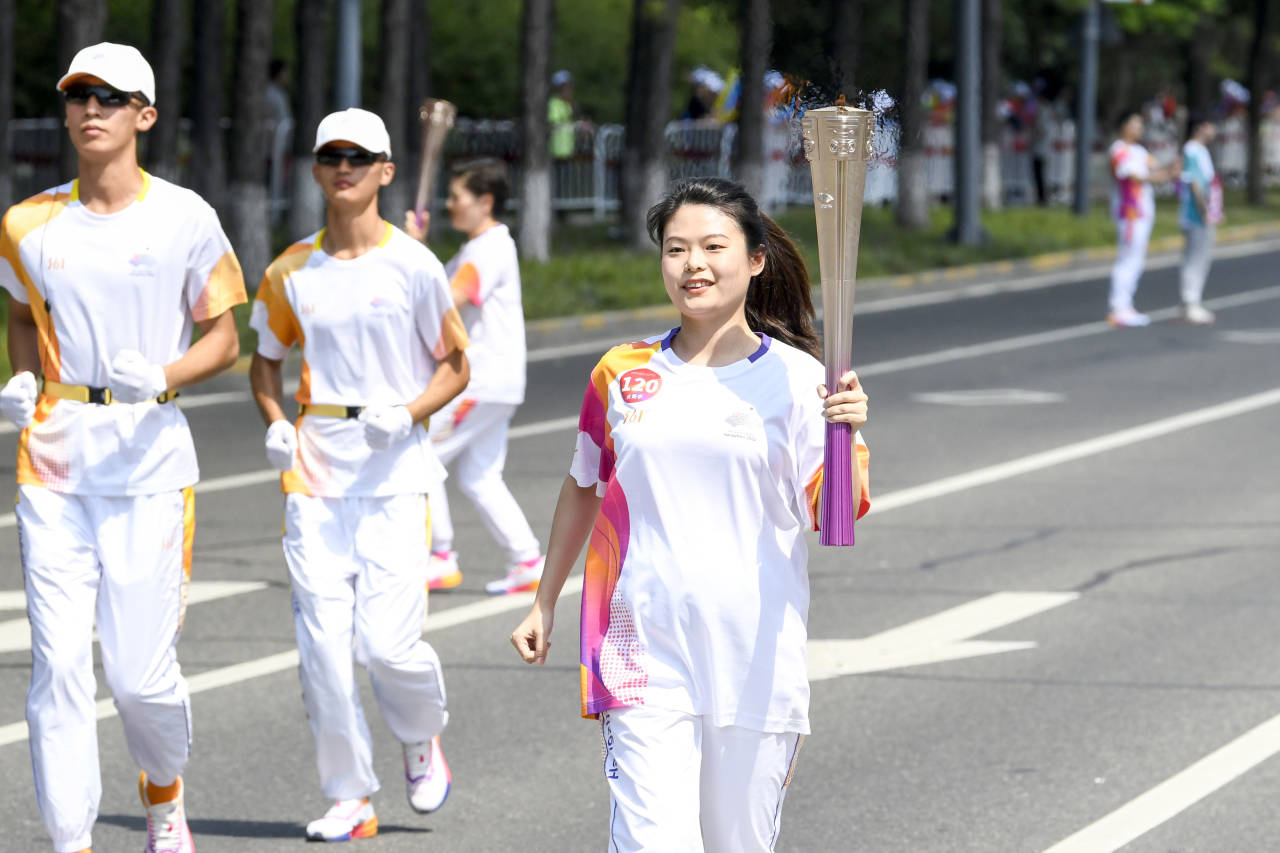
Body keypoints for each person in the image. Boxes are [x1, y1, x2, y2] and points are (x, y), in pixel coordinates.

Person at [509, 177, 871, 852]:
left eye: (712, 247)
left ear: (755, 259)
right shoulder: (621, 372)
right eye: (676, 249)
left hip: (755, 653)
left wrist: (844, 435)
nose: (692, 264)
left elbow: (836, 518)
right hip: (639, 643)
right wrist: (544, 601)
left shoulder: (800, 381)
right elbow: (585, 485)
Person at [0, 42, 247, 853]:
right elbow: (21, 316)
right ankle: (70, 838)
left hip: (148, 464)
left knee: (139, 679)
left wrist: (165, 376)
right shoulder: (27, 223)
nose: (91, 110)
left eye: (110, 98)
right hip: (54, 464)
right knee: (59, 666)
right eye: (78, 96)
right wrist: (25, 378)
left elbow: (225, 338)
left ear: (144, 115)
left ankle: (163, 789)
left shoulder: (184, 217)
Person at [248, 108, 469, 842]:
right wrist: (276, 421)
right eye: (332, 156)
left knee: (387, 645)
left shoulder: (413, 265)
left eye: (359, 157)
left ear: (385, 170)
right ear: (316, 169)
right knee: (322, 647)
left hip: (394, 472)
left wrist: (406, 413)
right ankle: (349, 794)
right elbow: (265, 363)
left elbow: (456, 366)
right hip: (314, 473)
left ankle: (419, 733)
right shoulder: (290, 270)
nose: (344, 168)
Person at [402, 159, 546, 594]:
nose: (449, 205)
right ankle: (527, 560)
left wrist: (412, 252)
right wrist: (417, 250)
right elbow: (434, 289)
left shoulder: (488, 249)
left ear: (484, 201)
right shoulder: (477, 249)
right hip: (495, 382)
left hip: (479, 380)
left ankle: (439, 556)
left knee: (419, 454)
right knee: (479, 476)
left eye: (456, 197)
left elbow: (448, 300)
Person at [1107, 109, 1177, 328]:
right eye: (1136, 124)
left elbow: (1156, 166)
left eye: (1141, 124)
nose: (1140, 128)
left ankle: (1126, 305)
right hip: (1130, 212)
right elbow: (1135, 177)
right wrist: (1165, 175)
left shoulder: (1139, 151)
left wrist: (1174, 166)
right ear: (1124, 126)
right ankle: (1119, 308)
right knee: (1128, 259)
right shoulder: (1118, 150)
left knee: (1136, 260)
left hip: (1143, 212)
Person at [1177, 114, 1223, 324]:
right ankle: (1190, 302)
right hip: (1195, 214)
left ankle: (1193, 301)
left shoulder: (1201, 151)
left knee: (1201, 259)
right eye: (1210, 125)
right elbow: (1195, 182)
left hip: (1204, 212)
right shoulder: (1192, 150)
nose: (1213, 130)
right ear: (1200, 127)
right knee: (1195, 259)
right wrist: (1204, 211)